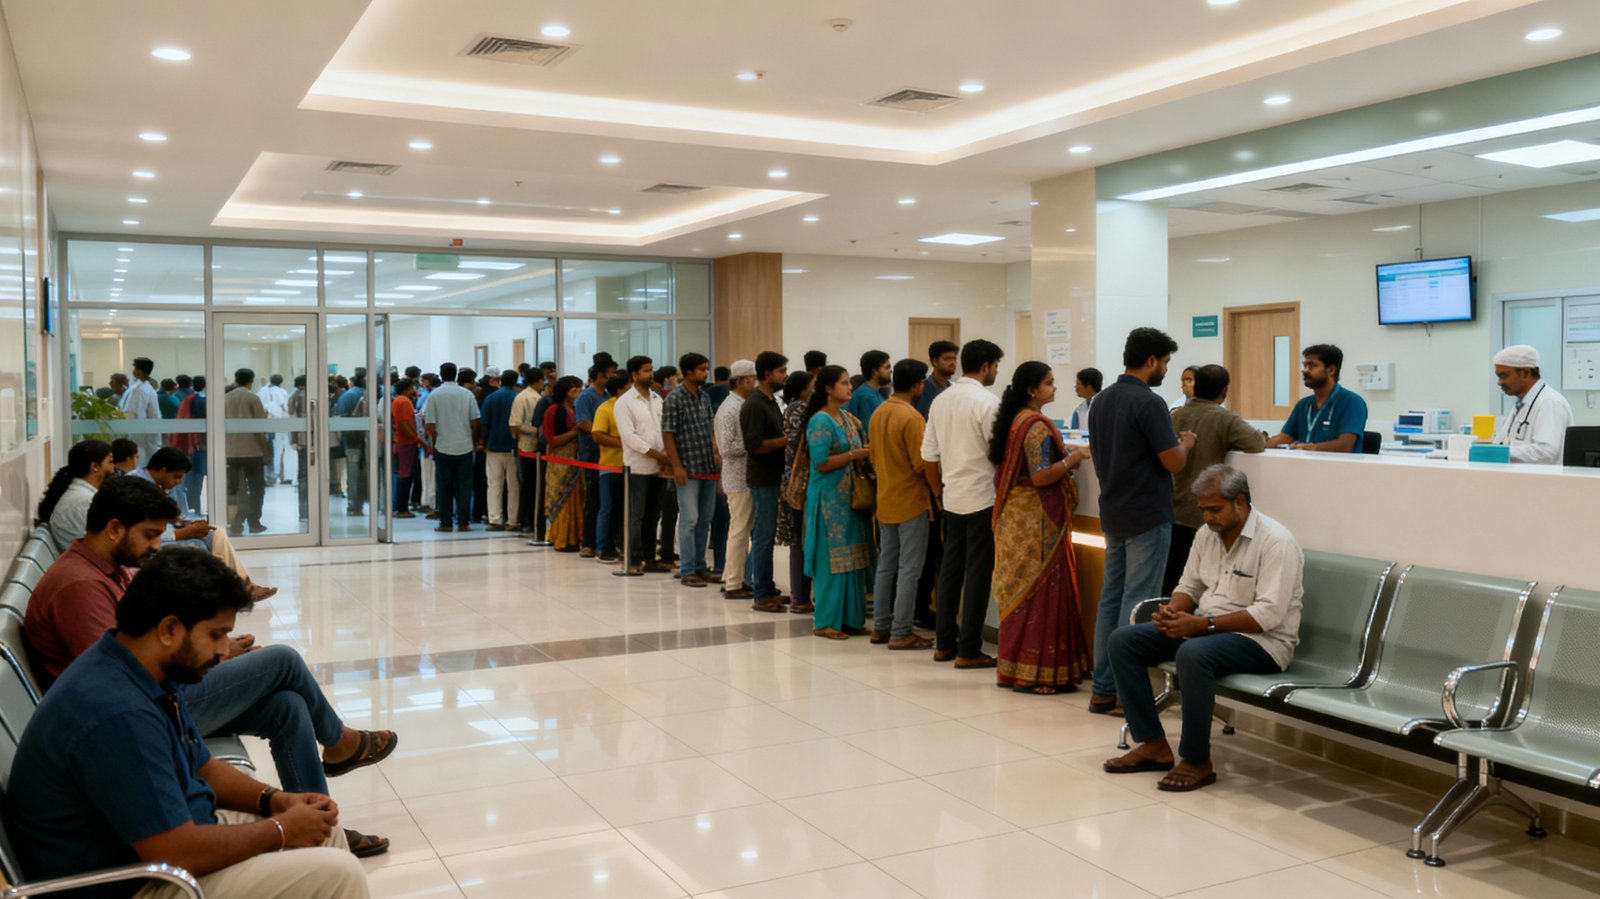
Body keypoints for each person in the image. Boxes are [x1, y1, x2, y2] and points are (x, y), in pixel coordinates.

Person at [25, 479, 393, 859]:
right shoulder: (80, 588)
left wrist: (278, 805)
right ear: (115, 528)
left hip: (156, 705)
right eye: (150, 535)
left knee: (288, 706)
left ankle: (313, 810)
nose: (156, 546)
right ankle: (340, 743)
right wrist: (280, 829)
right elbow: (125, 667)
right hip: (147, 717)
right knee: (283, 659)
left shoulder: (109, 569)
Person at [1103, 464, 1303, 792]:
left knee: (1193, 654)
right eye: (1203, 510)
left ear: (1240, 501)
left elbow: (1268, 615)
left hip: (1261, 641)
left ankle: (1197, 759)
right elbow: (1190, 586)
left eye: (1214, 509)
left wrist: (1201, 625)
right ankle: (1153, 744)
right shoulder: (1206, 535)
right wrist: (1171, 611)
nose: (1207, 517)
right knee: (1124, 641)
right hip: (1205, 629)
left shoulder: (1275, 542)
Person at [1087, 328, 1197, 714]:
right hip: (1148, 513)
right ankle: (1125, 694)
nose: (1166, 369)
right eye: (1165, 362)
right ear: (1151, 360)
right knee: (1138, 604)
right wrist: (1185, 443)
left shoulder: (1100, 400)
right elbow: (1172, 461)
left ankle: (1103, 686)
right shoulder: (1149, 403)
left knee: (1111, 599)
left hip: (1113, 510)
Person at [989, 362, 1093, 693]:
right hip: (1037, 522)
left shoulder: (1017, 419)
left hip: (1017, 518)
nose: (1055, 387)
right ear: (1033, 389)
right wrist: (1072, 461)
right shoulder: (1034, 426)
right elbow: (1040, 476)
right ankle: (1038, 674)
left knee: (1022, 594)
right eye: (1049, 383)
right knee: (1041, 593)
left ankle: (1013, 669)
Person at [921, 339, 1005, 668]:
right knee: (979, 574)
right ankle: (968, 649)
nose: (996, 371)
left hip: (952, 498)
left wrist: (939, 493)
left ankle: (944, 643)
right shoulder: (988, 402)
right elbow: (998, 455)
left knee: (951, 572)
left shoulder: (941, 401)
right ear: (985, 367)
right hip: (983, 497)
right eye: (995, 366)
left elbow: (929, 455)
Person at [1165, 364, 1266, 595]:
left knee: (1172, 578)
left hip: (1171, 509)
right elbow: (1255, 443)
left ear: (1196, 387)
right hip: (1201, 514)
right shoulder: (1224, 418)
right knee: (1198, 583)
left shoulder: (1175, 415)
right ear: (1224, 391)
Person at [130, 448, 277, 600]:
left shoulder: (152, 481)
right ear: (162, 470)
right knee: (198, 546)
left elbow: (162, 518)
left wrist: (185, 524)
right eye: (176, 477)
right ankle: (237, 589)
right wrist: (184, 532)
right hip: (152, 542)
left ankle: (241, 586)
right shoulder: (139, 488)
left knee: (215, 531)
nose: (178, 482)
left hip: (165, 532)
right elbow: (141, 531)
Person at [803, 366, 873, 639]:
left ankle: (851, 619)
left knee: (853, 559)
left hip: (850, 500)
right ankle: (825, 622)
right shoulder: (820, 421)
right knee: (831, 562)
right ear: (828, 389)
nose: (850, 387)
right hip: (828, 501)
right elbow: (820, 463)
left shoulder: (846, 417)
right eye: (844, 383)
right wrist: (854, 455)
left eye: (849, 382)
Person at [869, 359, 933, 649]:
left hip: (885, 499)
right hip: (910, 501)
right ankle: (901, 631)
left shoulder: (879, 412)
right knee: (909, 569)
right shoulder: (912, 418)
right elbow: (921, 464)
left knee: (886, 566)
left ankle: (881, 627)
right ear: (918, 385)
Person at [662, 353, 718, 587]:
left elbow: (710, 429)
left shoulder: (704, 397)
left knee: (705, 520)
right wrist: (676, 466)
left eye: (706, 368)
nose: (706, 373)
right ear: (688, 372)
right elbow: (668, 434)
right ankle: (687, 570)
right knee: (689, 520)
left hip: (707, 467)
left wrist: (716, 452)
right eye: (702, 369)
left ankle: (700, 565)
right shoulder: (675, 399)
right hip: (687, 468)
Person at [742, 351, 791, 612]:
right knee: (762, 536)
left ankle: (767, 585)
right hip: (762, 479)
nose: (785, 375)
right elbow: (755, 446)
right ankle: (760, 593)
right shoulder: (754, 404)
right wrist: (787, 440)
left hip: (774, 477)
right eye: (781, 371)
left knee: (767, 535)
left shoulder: (771, 401)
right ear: (768, 374)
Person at [616, 356, 671, 575]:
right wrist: (655, 454)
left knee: (653, 515)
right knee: (635, 516)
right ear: (634, 375)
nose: (651, 374)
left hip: (659, 467)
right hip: (637, 466)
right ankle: (632, 559)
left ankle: (649, 557)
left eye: (652, 369)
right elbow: (629, 436)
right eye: (646, 370)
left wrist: (665, 457)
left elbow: (664, 428)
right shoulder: (625, 402)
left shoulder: (658, 399)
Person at [1265, 344, 1368, 453]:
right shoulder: (1303, 404)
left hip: (1339, 467)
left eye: (1312, 365)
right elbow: (1284, 438)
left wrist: (1311, 447)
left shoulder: (1351, 402)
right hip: (1303, 465)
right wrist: (1260, 442)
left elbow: (1345, 445)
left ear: (1331, 370)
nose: (1305, 370)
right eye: (1305, 365)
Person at [424, 361, 480, 532]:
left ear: (441, 375)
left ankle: (446, 522)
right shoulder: (467, 394)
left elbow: (430, 424)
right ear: (455, 375)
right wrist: (472, 439)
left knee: (444, 486)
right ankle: (464, 523)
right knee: (464, 486)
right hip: (464, 447)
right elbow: (475, 420)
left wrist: (435, 441)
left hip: (443, 447)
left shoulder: (434, 395)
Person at [1493, 345, 1574, 463]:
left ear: (1525, 373)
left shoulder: (1550, 402)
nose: (1500, 383)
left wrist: (1502, 452)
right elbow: (1503, 441)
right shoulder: (1522, 403)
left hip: (1544, 479)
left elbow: (1547, 451)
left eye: (1504, 376)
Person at [716, 360, 756, 598]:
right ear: (741, 381)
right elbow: (727, 448)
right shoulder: (730, 408)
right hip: (737, 477)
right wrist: (755, 443)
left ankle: (731, 577)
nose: (756, 382)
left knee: (740, 530)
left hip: (744, 476)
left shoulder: (741, 404)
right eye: (752, 378)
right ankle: (733, 583)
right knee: (739, 531)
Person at [776, 370, 815, 614]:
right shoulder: (801, 409)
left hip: (791, 480)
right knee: (802, 540)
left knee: (797, 542)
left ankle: (799, 594)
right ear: (803, 389)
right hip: (800, 481)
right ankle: (800, 596)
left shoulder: (791, 408)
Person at [38, 438, 116, 553]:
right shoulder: (84, 501)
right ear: (95, 467)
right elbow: (103, 547)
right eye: (110, 462)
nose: (114, 469)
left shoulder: (81, 496)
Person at [540, 376, 586, 551]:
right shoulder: (553, 410)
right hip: (559, 462)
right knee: (559, 497)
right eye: (574, 390)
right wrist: (576, 432)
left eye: (579, 389)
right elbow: (552, 440)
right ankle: (559, 538)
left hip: (577, 460)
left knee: (577, 498)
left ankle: (575, 537)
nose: (577, 393)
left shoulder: (576, 409)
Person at [223, 368, 270, 536]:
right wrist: (265, 450)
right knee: (256, 489)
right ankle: (254, 522)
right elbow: (259, 429)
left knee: (234, 490)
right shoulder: (252, 398)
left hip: (231, 452)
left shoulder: (225, 399)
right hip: (252, 452)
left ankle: (235, 523)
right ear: (251, 380)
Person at [575, 362, 615, 556]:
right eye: (609, 374)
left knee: (608, 501)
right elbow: (583, 423)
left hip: (609, 457)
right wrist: (604, 432)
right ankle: (588, 542)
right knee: (594, 501)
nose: (612, 378)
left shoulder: (608, 396)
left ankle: (609, 541)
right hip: (591, 455)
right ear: (599, 376)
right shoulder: (585, 397)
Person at [590, 374, 629, 564]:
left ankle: (618, 544)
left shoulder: (631, 408)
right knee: (607, 508)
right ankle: (602, 547)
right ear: (620, 389)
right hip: (610, 467)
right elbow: (597, 435)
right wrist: (625, 443)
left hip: (630, 468)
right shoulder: (605, 408)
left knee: (623, 509)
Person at [481, 369, 521, 531]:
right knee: (514, 485)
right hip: (513, 447)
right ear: (515, 382)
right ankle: (513, 520)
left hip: (493, 446)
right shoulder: (517, 398)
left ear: (500, 381)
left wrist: (482, 442)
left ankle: (495, 519)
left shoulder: (491, 398)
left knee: (494, 484)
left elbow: (484, 423)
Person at [510, 366, 545, 534]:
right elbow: (515, 425)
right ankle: (527, 521)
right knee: (529, 486)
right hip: (527, 448)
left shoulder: (540, 397)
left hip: (539, 449)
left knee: (537, 487)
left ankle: (535, 521)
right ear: (538, 380)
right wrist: (537, 430)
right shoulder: (522, 398)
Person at [333, 372, 368, 517]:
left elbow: (341, 419)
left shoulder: (347, 396)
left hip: (352, 441)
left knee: (353, 474)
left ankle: (354, 505)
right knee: (368, 473)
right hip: (370, 441)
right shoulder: (370, 394)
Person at [174, 375, 208, 516]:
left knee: (191, 477)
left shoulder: (186, 400)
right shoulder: (206, 400)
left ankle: (194, 507)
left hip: (190, 444)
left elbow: (181, 422)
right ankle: (198, 507)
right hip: (202, 446)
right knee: (199, 477)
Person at [391, 378, 425, 519]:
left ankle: (400, 507)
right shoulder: (404, 402)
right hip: (406, 444)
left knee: (404, 475)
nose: (415, 390)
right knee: (405, 477)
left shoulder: (398, 400)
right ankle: (402, 508)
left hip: (401, 443)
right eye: (413, 387)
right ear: (407, 388)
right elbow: (405, 424)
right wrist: (418, 440)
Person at [119, 356, 163, 462]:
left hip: (139, 436)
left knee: (140, 461)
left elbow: (132, 414)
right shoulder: (144, 387)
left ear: (139, 372)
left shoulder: (140, 390)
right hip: (145, 434)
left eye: (135, 368)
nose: (133, 371)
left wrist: (125, 434)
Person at [913, 340, 959, 419]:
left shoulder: (954, 389)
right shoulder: (922, 390)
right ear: (934, 361)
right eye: (947, 359)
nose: (952, 363)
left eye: (954, 359)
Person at [847, 350, 891, 429]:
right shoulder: (864, 396)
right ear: (875, 372)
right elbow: (868, 431)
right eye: (887, 367)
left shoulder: (876, 393)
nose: (890, 371)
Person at [259, 374, 291, 484]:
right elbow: (285, 408)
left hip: (264, 425)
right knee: (278, 451)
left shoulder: (262, 391)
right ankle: (275, 476)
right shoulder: (281, 392)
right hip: (277, 426)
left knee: (267, 451)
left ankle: (268, 476)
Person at [287, 375, 309, 520]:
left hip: (301, 441)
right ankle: (307, 512)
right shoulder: (302, 396)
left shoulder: (293, 396)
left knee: (303, 476)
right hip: (307, 440)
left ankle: (304, 512)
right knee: (306, 477)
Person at [1069, 367, 1102, 431]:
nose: (1075, 387)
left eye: (1078, 384)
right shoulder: (1079, 409)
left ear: (1089, 386)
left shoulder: (1104, 405)